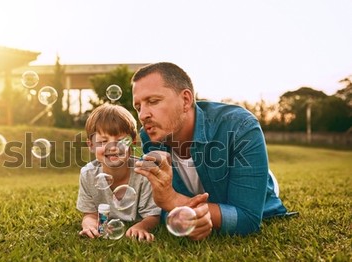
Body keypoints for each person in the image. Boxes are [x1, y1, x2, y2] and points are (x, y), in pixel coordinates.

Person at [132, 62, 288, 240]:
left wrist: (173, 201)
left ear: (186, 100)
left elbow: (248, 219)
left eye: (153, 101)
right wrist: (189, 217)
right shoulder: (149, 137)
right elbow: (162, 208)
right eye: (138, 107)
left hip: (255, 180)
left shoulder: (239, 127)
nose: (143, 115)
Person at [77, 103, 161, 242]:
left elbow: (153, 216)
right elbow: (90, 214)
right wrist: (90, 225)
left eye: (121, 141)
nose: (113, 147)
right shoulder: (88, 174)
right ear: (91, 145)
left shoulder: (144, 172)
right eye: (103, 141)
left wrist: (142, 226)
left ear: (133, 142)